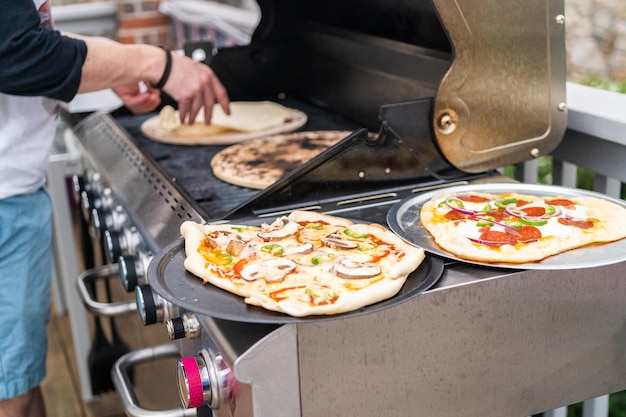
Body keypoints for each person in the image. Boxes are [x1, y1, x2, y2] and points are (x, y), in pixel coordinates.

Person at [0, 1, 230, 416]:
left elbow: (30, 40)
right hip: (5, 203)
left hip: (14, 195)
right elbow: (15, 52)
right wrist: (156, 63)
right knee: (10, 396)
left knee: (18, 379)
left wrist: (123, 72)